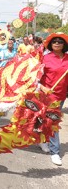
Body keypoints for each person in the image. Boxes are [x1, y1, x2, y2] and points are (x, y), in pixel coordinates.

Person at [37, 32, 68, 166]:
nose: (57, 43)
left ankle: (42, 140)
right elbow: (35, 77)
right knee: (53, 121)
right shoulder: (45, 58)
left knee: (47, 120)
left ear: (64, 45)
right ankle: (55, 152)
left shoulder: (67, 58)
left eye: (60, 41)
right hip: (47, 95)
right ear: (50, 44)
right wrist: (43, 88)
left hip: (61, 96)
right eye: (54, 41)